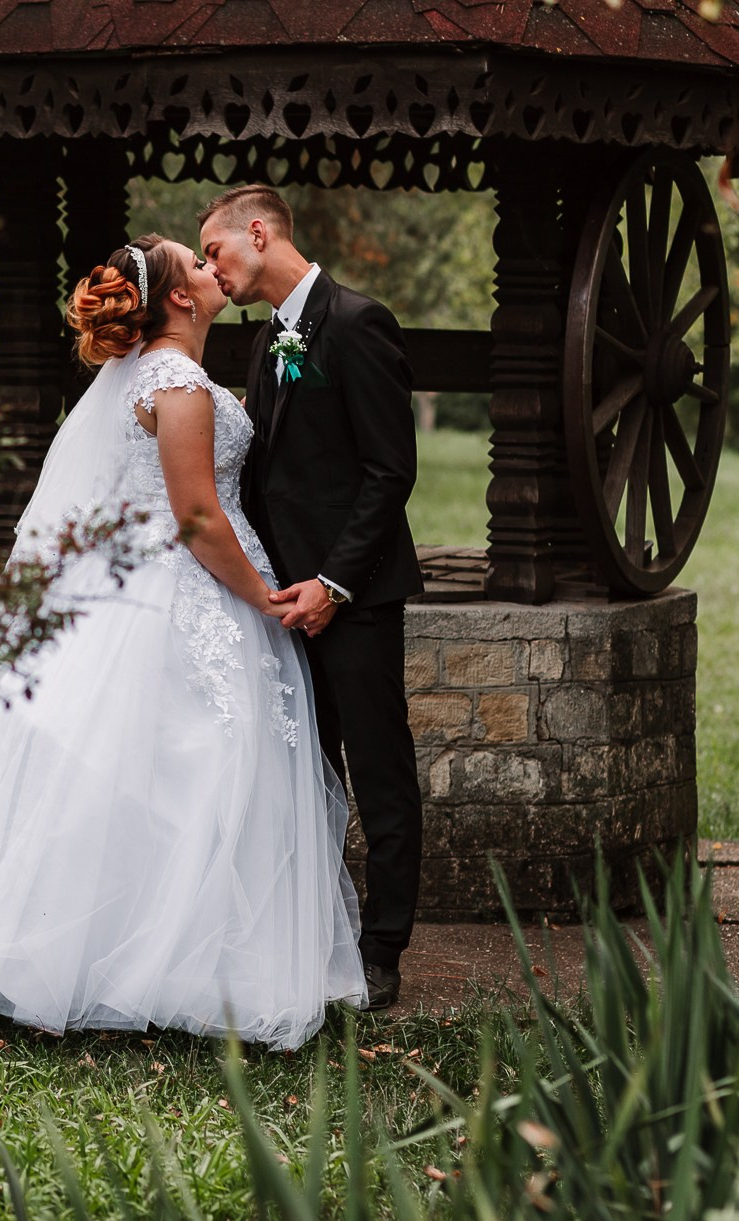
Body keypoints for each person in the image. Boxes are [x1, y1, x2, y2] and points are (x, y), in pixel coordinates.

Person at [0, 233, 367, 1049]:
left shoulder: (143, 376)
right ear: (179, 298)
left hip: (145, 588)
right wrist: (264, 600)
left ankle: (105, 962)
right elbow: (198, 518)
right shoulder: (179, 383)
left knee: (147, 774)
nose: (211, 269)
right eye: (197, 264)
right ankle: (178, 974)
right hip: (195, 591)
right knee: (201, 769)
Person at [198, 185, 425, 1011]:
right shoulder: (269, 342)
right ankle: (317, 934)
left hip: (352, 599)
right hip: (281, 604)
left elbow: (389, 470)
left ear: (257, 234)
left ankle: (385, 945)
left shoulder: (359, 323)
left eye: (215, 251)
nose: (212, 270)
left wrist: (333, 583)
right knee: (304, 774)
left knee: (377, 767)